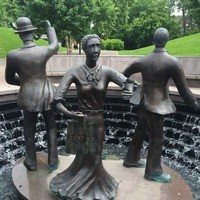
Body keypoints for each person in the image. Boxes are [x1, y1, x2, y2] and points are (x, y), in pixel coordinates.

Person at [49, 34, 134, 199]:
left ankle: (97, 189)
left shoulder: (107, 71)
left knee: (95, 159)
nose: (96, 50)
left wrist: (128, 90)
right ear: (84, 49)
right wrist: (70, 114)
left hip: (98, 121)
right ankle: (75, 188)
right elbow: (57, 101)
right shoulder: (74, 72)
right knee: (82, 158)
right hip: (81, 121)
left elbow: (129, 82)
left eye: (98, 46)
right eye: (91, 46)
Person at [122, 27, 200, 183]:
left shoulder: (142, 60)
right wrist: (195, 104)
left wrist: (132, 87)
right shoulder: (172, 62)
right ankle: (153, 171)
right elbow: (183, 90)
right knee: (157, 138)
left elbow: (123, 76)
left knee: (140, 130)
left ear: (153, 40)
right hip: (158, 106)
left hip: (143, 102)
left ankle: (131, 158)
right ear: (166, 40)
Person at [5, 17, 59, 171]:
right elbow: (55, 45)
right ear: (33, 32)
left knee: (29, 128)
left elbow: (9, 79)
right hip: (47, 93)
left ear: (20, 35)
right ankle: (53, 160)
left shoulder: (13, 55)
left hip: (28, 95)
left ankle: (31, 162)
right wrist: (50, 28)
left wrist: (24, 82)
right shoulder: (43, 50)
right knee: (51, 127)